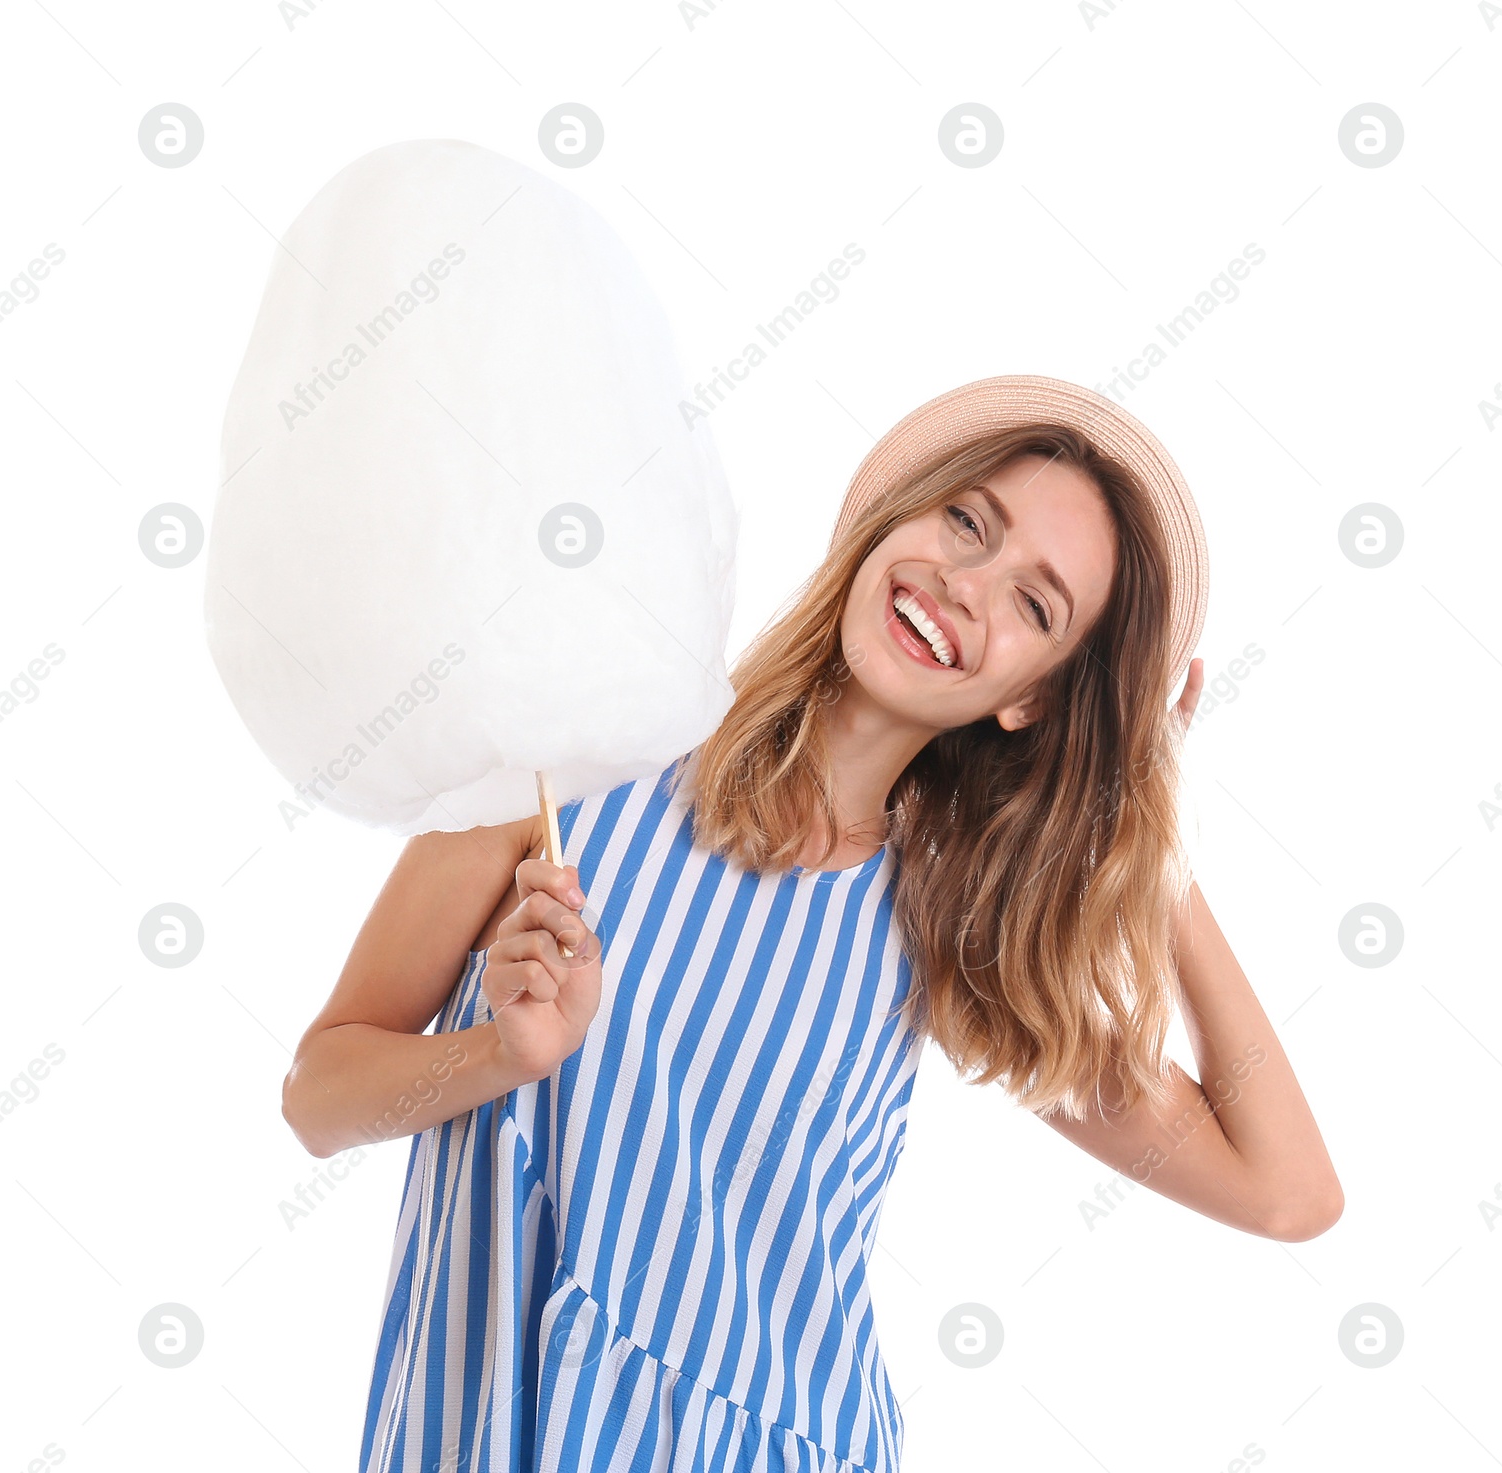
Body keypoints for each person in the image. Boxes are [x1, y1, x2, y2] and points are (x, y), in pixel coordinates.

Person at [281, 376, 1343, 1473]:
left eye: (1035, 606)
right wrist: (497, 1056)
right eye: (965, 522)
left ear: (1029, 700)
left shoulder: (951, 942)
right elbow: (320, 1098)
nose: (966, 585)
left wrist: (1146, 832)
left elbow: (1287, 1192)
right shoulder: (566, 761)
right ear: (893, 523)